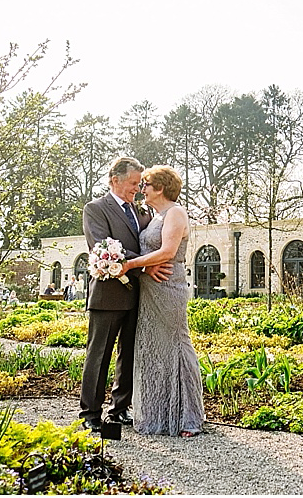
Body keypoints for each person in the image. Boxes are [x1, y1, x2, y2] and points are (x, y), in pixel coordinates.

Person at [78, 157, 172, 433]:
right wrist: (145, 263)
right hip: (107, 295)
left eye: (139, 183)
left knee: (129, 355)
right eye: (133, 183)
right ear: (114, 180)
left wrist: (152, 262)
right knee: (99, 355)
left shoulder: (143, 212)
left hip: (139, 295)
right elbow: (102, 246)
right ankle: (90, 413)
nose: (137, 188)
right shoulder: (95, 209)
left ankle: (119, 409)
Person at [122, 165, 205, 437]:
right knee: (152, 348)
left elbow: (167, 251)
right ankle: (157, 414)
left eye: (146, 185)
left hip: (169, 287)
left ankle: (187, 418)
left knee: (176, 343)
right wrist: (142, 269)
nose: (141, 189)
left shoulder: (176, 212)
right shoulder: (155, 216)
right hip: (149, 288)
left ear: (160, 188)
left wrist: (129, 264)